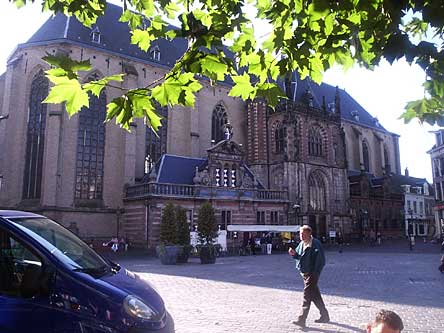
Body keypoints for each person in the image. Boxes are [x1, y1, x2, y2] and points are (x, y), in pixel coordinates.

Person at [288, 225, 329, 328]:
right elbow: (299, 256)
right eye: (300, 234)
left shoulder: (315, 244)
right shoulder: (302, 244)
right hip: (305, 273)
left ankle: (301, 319)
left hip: (312, 274)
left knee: (307, 296)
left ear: (309, 234)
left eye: (303, 234)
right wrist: (293, 254)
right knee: (315, 296)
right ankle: (325, 316)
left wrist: (315, 274)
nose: (301, 236)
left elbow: (321, 261)